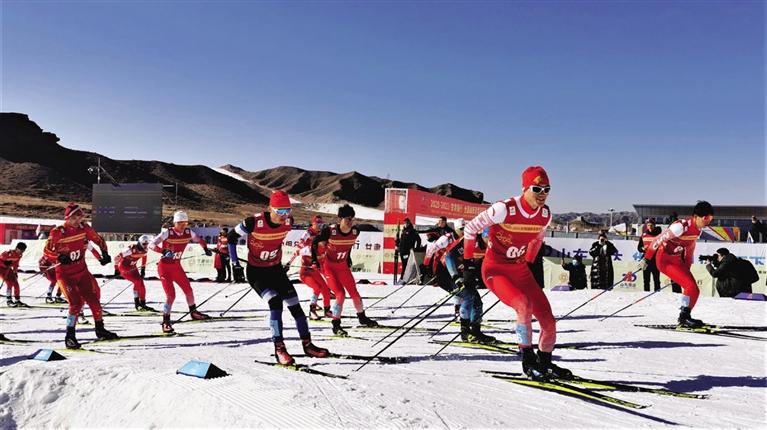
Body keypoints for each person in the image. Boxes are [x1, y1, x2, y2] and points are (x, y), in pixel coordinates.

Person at [464, 166, 570, 380]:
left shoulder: (545, 214)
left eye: (546, 189)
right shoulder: (504, 209)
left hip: (520, 270)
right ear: (525, 188)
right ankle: (527, 360)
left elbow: (538, 239)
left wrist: (529, 263)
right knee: (523, 305)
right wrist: (467, 265)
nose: (542, 194)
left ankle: (545, 361)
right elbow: (470, 228)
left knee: (548, 321)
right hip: (495, 270)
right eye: (537, 188)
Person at [227, 190, 329, 365]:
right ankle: (279, 349)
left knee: (296, 306)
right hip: (256, 272)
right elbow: (231, 238)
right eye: (280, 211)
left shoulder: (289, 221)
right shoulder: (253, 222)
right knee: (275, 303)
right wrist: (235, 263)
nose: (284, 215)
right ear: (270, 208)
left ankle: (308, 344)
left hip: (275, 270)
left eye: (287, 210)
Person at [44, 203, 117, 348]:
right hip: (65, 275)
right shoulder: (58, 232)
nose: (78, 220)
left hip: (82, 271)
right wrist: (58, 257)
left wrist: (104, 253)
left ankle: (100, 329)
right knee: (76, 303)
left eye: (80, 216)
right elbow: (46, 251)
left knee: (94, 300)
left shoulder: (84, 228)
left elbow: (98, 239)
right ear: (68, 217)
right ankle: (70, 336)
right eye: (75, 217)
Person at [641, 201, 714, 328]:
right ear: (696, 216)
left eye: (711, 218)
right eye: (706, 218)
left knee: (694, 290)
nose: (708, 221)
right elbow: (657, 240)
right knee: (690, 286)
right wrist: (646, 259)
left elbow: (690, 247)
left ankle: (684, 316)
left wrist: (687, 264)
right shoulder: (680, 227)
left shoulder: (698, 230)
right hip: (664, 260)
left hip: (678, 261)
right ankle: (684, 318)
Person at [312, 204, 378, 337]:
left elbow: (349, 245)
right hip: (330, 268)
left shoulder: (355, 232)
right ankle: (336, 324)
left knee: (354, 292)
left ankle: (362, 317)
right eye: (347, 219)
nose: (350, 222)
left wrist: (348, 258)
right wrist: (314, 261)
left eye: (352, 219)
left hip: (343, 267)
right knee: (340, 294)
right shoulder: (330, 231)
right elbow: (315, 242)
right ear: (340, 219)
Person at [150, 210, 213, 334]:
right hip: (164, 268)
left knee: (188, 290)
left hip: (177, 267)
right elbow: (151, 244)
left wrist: (205, 248)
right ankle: (166, 321)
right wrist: (162, 251)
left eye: (185, 223)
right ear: (175, 223)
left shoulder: (189, 232)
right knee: (171, 295)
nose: (183, 225)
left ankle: (193, 312)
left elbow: (199, 240)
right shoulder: (167, 232)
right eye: (180, 223)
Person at [438, 220, 495, 343]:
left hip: (463, 273)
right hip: (445, 273)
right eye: (490, 240)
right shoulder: (471, 240)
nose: (492, 243)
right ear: (484, 236)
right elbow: (449, 257)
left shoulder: (490, 248)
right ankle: (465, 333)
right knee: (468, 296)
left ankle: (475, 331)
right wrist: (455, 277)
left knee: (477, 303)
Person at [115, 235, 154, 311]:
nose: (146, 246)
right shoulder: (130, 249)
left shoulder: (145, 250)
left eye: (147, 244)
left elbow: (144, 257)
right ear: (139, 243)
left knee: (141, 284)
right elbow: (116, 257)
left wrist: (143, 269)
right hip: (124, 267)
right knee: (137, 282)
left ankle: (142, 304)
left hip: (133, 268)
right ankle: (137, 304)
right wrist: (116, 270)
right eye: (144, 244)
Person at [637, 219, 662, 292]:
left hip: (656, 259)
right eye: (648, 225)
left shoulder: (659, 235)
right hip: (646, 259)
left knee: (656, 279)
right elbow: (639, 247)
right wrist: (642, 248)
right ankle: (646, 293)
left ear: (654, 225)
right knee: (646, 280)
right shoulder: (643, 235)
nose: (650, 227)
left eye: (651, 225)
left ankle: (657, 294)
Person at [1, 242, 27, 307]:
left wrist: (15, 272)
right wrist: (4, 263)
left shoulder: (19, 255)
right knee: (9, 283)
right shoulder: (7, 254)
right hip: (1, 269)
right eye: (21, 250)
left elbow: (15, 265)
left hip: (8, 269)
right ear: (17, 248)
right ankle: (9, 300)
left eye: (23, 251)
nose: (22, 252)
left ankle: (17, 300)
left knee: (16, 283)